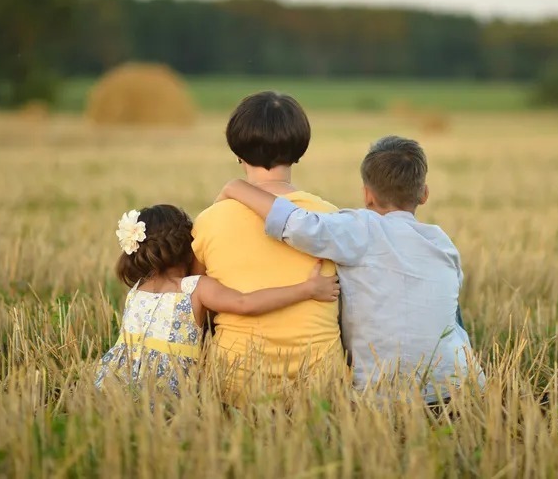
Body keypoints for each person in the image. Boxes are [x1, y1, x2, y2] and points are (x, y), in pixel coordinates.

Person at [217, 135, 484, 404]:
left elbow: (297, 225)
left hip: (382, 396)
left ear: (367, 194)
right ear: (424, 194)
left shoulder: (359, 228)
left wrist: (235, 187)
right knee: (450, 304)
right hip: (455, 389)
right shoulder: (441, 241)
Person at [192, 91, 344, 403]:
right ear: (300, 149)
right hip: (322, 388)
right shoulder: (331, 217)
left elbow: (195, 301)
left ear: (238, 150)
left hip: (235, 384)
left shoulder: (209, 221)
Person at [94, 204, 339, 397]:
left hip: (113, 381)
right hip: (162, 391)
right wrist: (307, 289)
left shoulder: (136, 290)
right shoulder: (194, 288)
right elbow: (245, 303)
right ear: (188, 247)